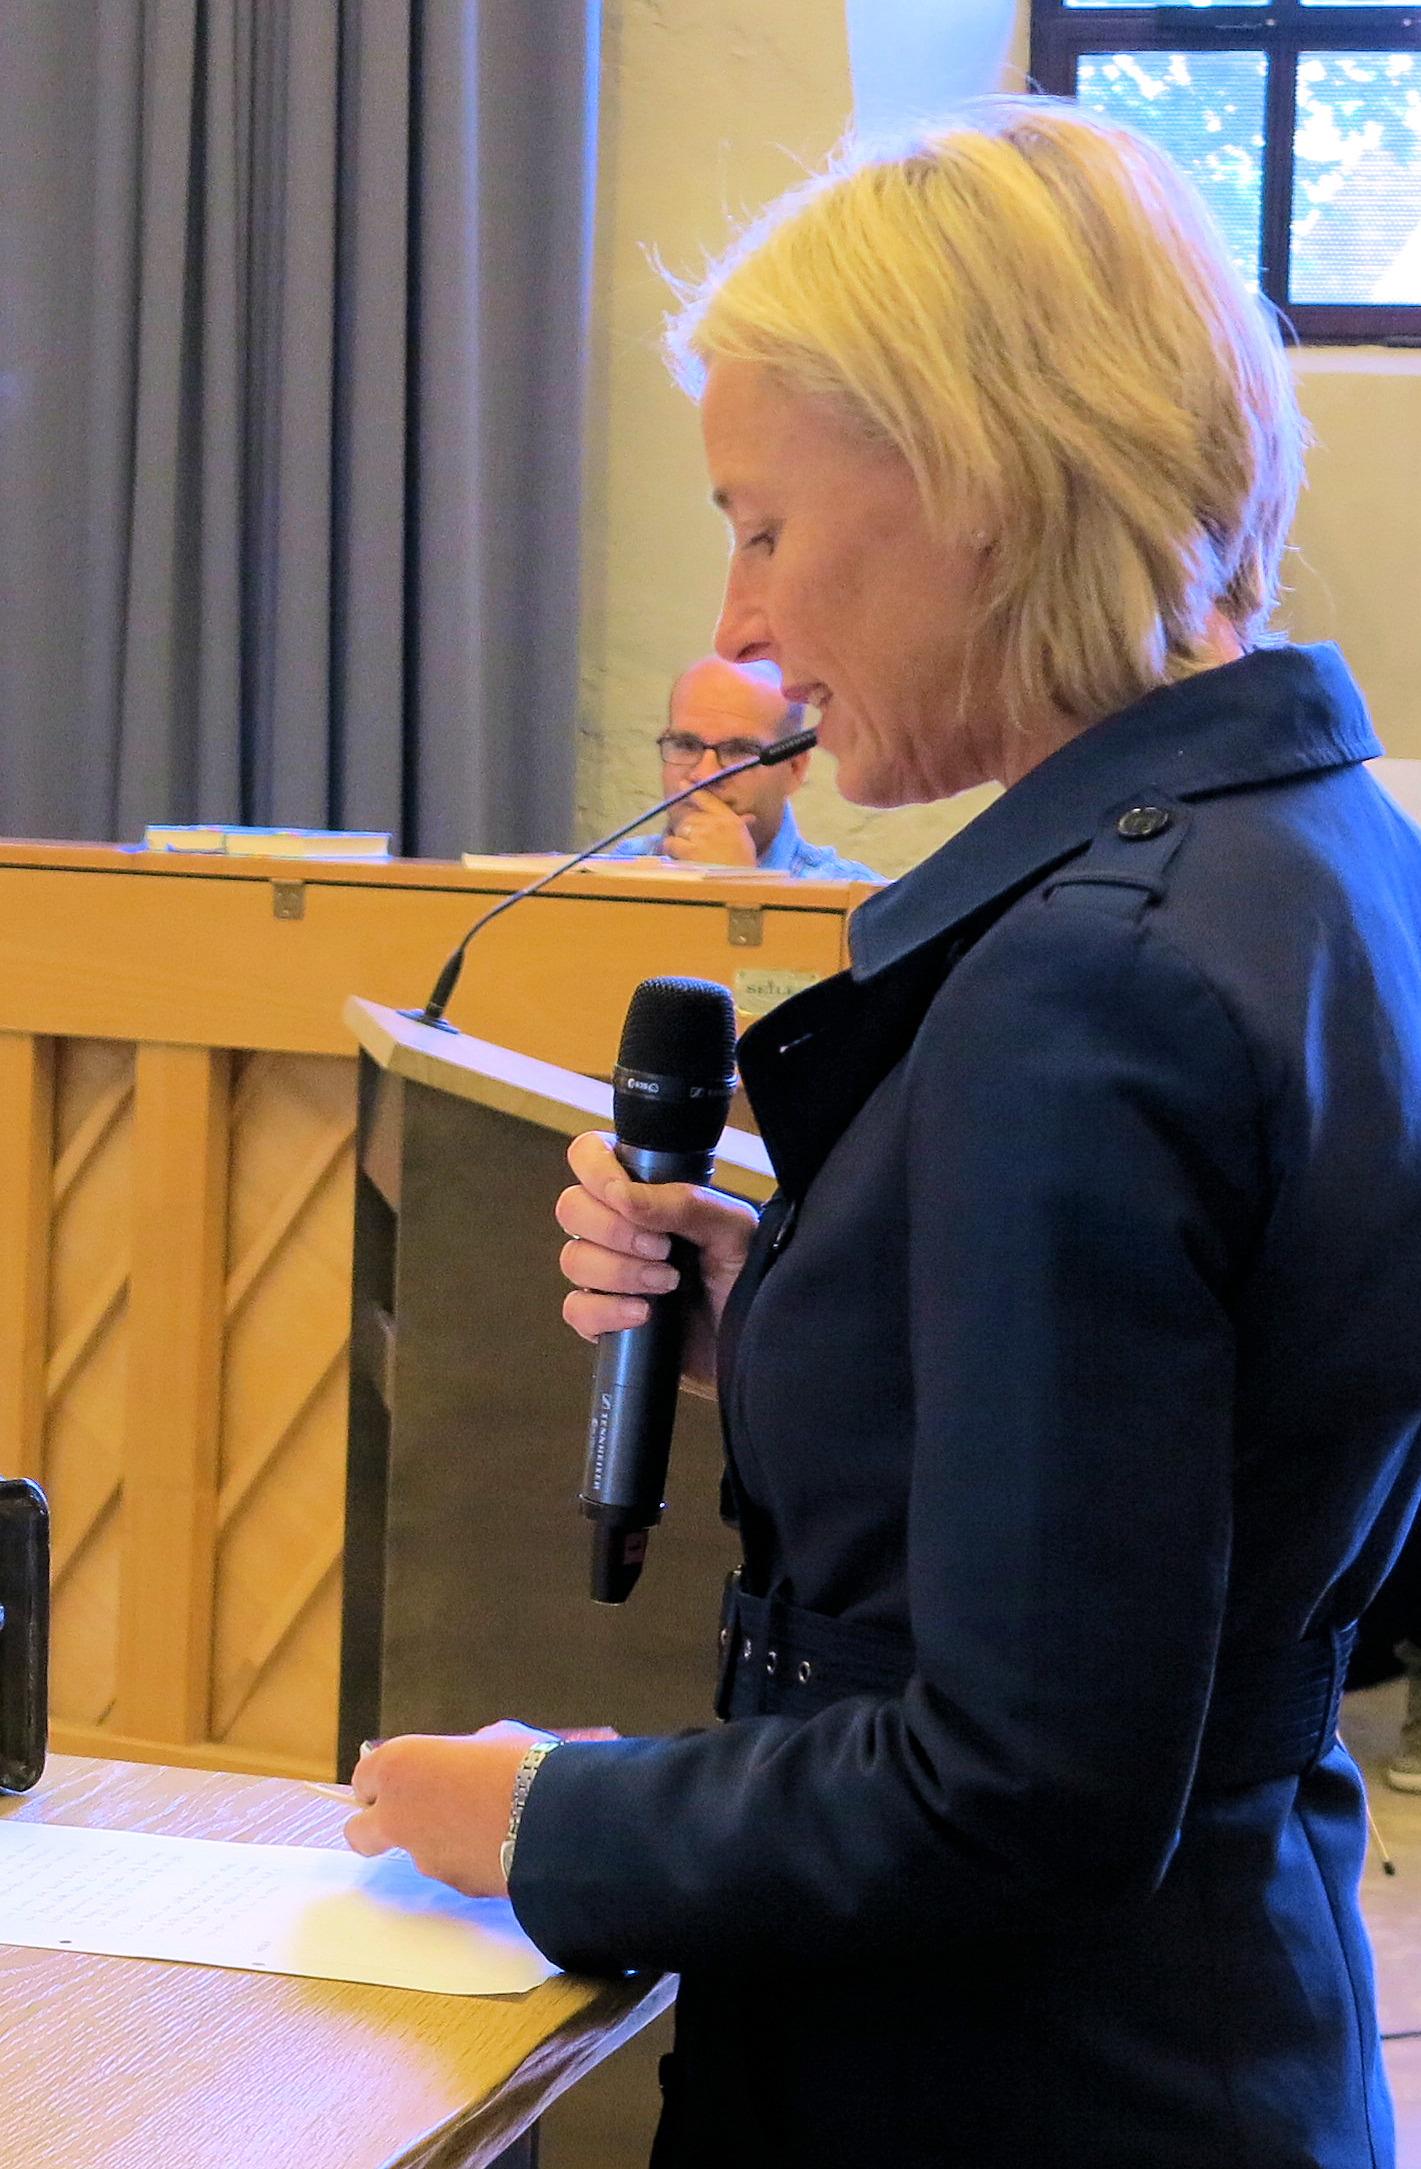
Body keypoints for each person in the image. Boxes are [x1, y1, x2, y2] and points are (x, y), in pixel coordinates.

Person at [338, 105, 1421, 2166]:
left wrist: (552, 1819)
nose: (734, 626)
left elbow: (1013, 1782)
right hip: (1229, 2020)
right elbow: (1252, 1488)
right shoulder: (1318, 853)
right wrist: (825, 1298)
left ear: (977, 491)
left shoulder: (1084, 975)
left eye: (756, 522)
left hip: (1003, 2085)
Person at [597, 656, 882, 879]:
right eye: (685, 745)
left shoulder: (854, 907)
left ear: (794, 769)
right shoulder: (611, 872)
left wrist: (739, 887)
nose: (704, 775)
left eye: (738, 752)